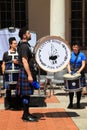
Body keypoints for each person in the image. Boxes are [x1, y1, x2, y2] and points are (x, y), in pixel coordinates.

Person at [17, 27, 40, 122]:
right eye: (28, 33)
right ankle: (25, 115)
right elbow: (24, 61)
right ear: (24, 35)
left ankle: (26, 113)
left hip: (26, 72)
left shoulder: (25, 45)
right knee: (26, 95)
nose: (30, 34)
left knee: (27, 95)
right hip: (26, 73)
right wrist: (29, 75)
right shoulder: (24, 46)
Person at [67, 42, 86, 109]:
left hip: (79, 73)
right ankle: (71, 103)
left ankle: (78, 103)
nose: (75, 48)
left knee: (79, 89)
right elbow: (68, 63)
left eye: (77, 47)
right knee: (70, 89)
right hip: (71, 73)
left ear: (79, 48)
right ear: (72, 47)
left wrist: (79, 71)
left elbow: (83, 64)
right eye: (74, 47)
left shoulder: (82, 55)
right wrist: (69, 71)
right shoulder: (70, 54)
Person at [2, 37, 19, 110]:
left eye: (16, 43)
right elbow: (3, 63)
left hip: (17, 74)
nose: (16, 44)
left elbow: (22, 62)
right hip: (8, 75)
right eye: (14, 43)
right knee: (8, 90)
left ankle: (17, 105)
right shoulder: (6, 54)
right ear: (10, 44)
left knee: (17, 90)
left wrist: (17, 62)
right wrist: (3, 70)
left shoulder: (19, 53)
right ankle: (7, 105)